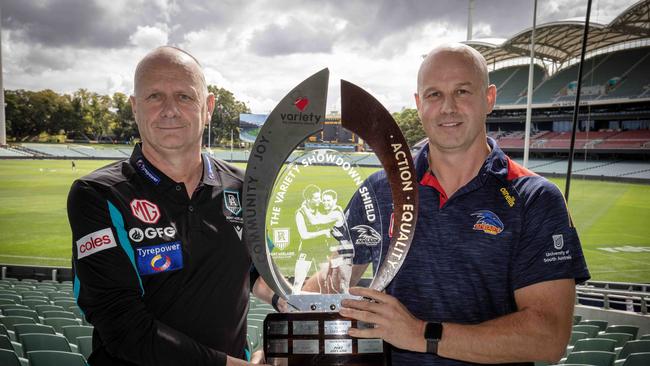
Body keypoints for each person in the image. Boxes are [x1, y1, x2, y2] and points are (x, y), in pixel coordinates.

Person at [333, 43, 590, 365]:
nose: (447, 108)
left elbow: (548, 338)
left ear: (489, 98)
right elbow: (333, 281)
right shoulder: (381, 189)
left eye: (462, 92)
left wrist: (420, 333)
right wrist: (278, 295)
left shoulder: (534, 197)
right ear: (419, 103)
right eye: (434, 95)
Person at [67, 46, 272, 366]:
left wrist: (288, 299)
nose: (170, 109)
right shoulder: (98, 193)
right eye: (154, 97)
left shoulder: (244, 186)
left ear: (209, 107)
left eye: (184, 96)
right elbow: (124, 328)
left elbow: (256, 270)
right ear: (135, 107)